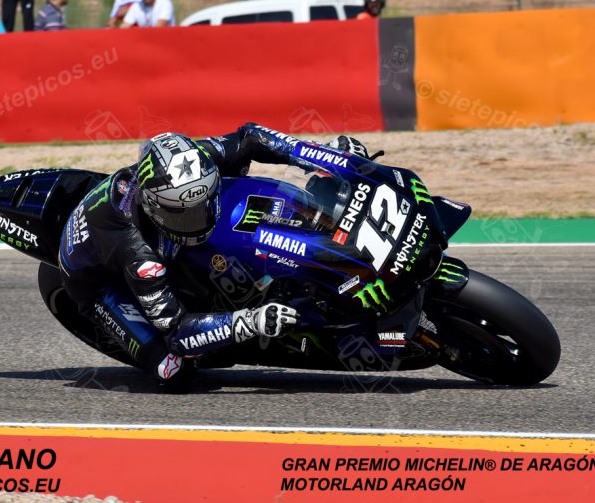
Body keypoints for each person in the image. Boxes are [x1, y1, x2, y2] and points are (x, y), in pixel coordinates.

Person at [58, 124, 366, 384]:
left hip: (147, 230)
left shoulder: (199, 161)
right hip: (96, 282)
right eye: (185, 216)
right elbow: (178, 332)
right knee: (172, 369)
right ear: (154, 208)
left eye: (204, 205)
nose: (200, 221)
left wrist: (325, 155)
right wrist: (251, 321)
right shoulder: (141, 257)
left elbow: (250, 137)